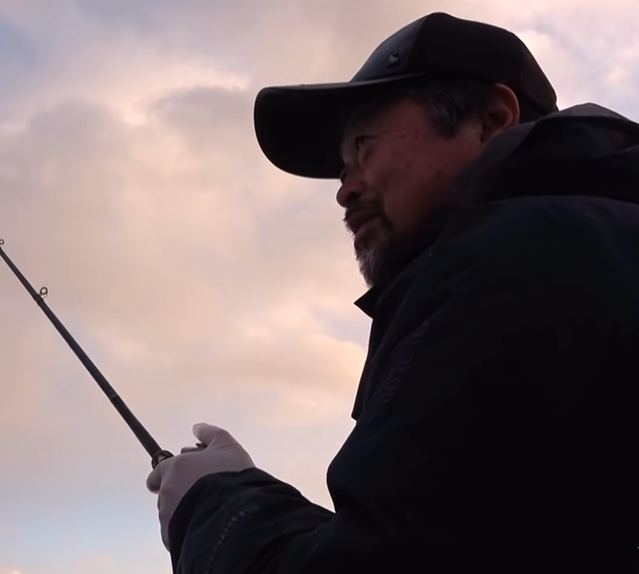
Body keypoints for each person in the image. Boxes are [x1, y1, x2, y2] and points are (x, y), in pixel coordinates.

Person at [146, 12, 639, 573]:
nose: (345, 189)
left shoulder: (515, 260)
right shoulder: (597, 245)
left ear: (491, 120)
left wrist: (214, 510)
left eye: (365, 146)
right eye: (342, 168)